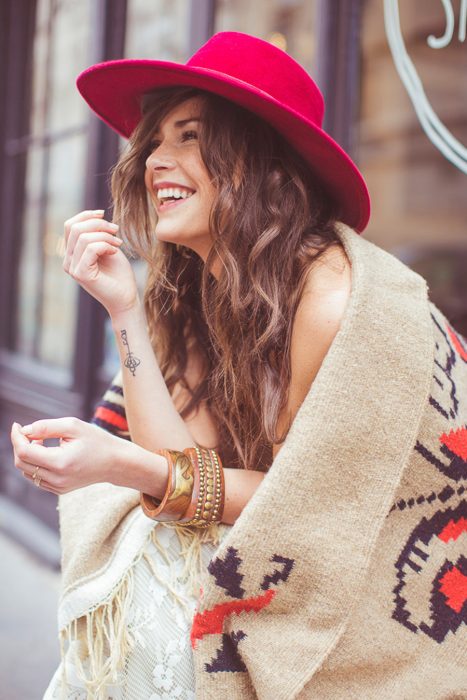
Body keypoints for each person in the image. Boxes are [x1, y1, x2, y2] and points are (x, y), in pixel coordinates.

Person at [10, 31, 467, 700]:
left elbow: (306, 509)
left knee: (157, 590)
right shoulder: (205, 285)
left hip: (392, 584)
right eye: (156, 140)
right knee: (150, 550)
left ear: (258, 163)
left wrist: (120, 464)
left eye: (190, 136)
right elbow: (184, 466)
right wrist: (124, 312)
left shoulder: (335, 299)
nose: (155, 160)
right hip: (308, 542)